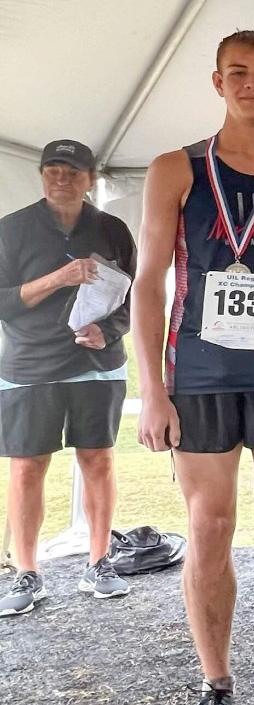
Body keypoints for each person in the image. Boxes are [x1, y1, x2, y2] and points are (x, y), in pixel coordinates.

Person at [133, 30, 254, 705]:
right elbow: (148, 283)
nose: (253, 84)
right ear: (217, 82)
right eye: (238, 72)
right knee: (209, 525)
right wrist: (152, 388)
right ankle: (216, 681)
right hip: (201, 375)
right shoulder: (175, 168)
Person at [0, 139, 135, 617]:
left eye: (73, 171)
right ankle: (26, 571)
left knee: (97, 458)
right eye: (53, 169)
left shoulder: (112, 229)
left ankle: (100, 561)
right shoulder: (12, 229)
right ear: (41, 175)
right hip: (29, 365)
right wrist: (58, 279)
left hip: (97, 363)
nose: (62, 178)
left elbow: (130, 296)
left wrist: (108, 330)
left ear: (91, 180)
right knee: (26, 466)